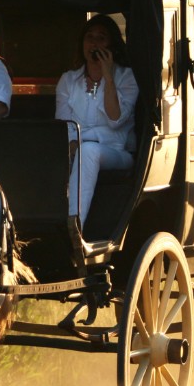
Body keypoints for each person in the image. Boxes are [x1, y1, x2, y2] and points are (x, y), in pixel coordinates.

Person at [55, 14, 139, 227]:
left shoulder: (126, 77)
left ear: (111, 44)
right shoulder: (68, 80)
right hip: (76, 147)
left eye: (101, 38)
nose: (94, 43)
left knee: (89, 152)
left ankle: (74, 224)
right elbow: (63, 125)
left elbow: (115, 120)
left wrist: (108, 76)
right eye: (89, 37)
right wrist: (72, 143)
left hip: (117, 151)